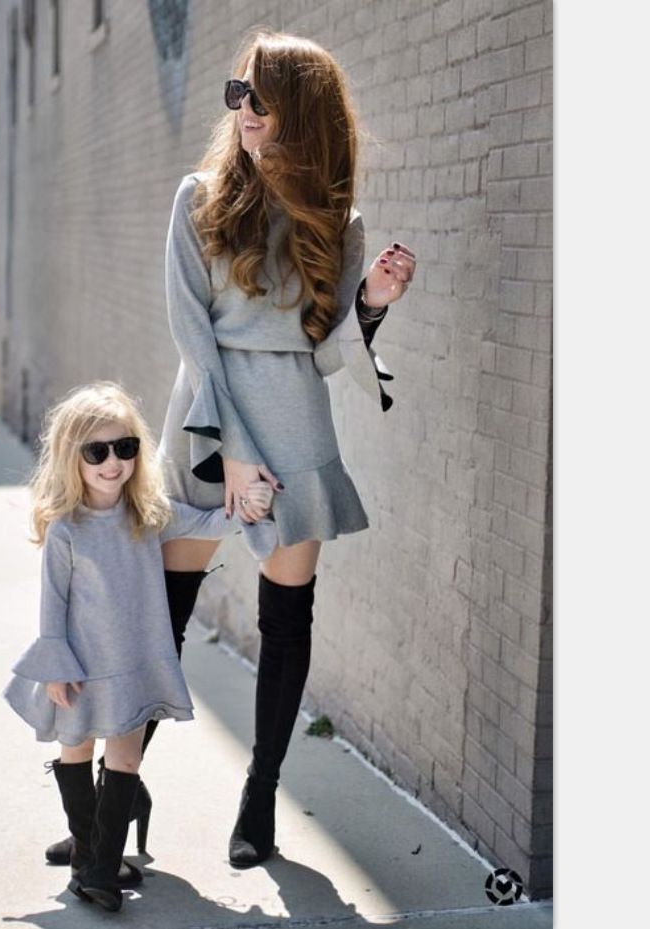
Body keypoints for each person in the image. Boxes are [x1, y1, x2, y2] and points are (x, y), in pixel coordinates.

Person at [157, 29, 417, 867]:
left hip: (295, 414)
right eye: (237, 96)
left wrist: (370, 300)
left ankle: (259, 792)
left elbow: (326, 350)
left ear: (298, 113)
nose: (244, 113)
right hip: (208, 409)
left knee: (285, 621)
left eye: (259, 99)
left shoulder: (339, 223)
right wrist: (230, 451)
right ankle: (114, 794)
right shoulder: (198, 196)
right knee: (159, 614)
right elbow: (192, 335)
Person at [3, 382, 276, 911]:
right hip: (81, 667)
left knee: (125, 756)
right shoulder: (66, 530)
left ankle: (103, 869)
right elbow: (51, 608)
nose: (113, 463)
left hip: (133, 665)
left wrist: (250, 503)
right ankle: (88, 855)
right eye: (97, 452)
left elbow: (213, 522)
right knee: (76, 749)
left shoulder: (149, 513)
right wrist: (56, 666)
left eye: (125, 448)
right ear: (71, 457)